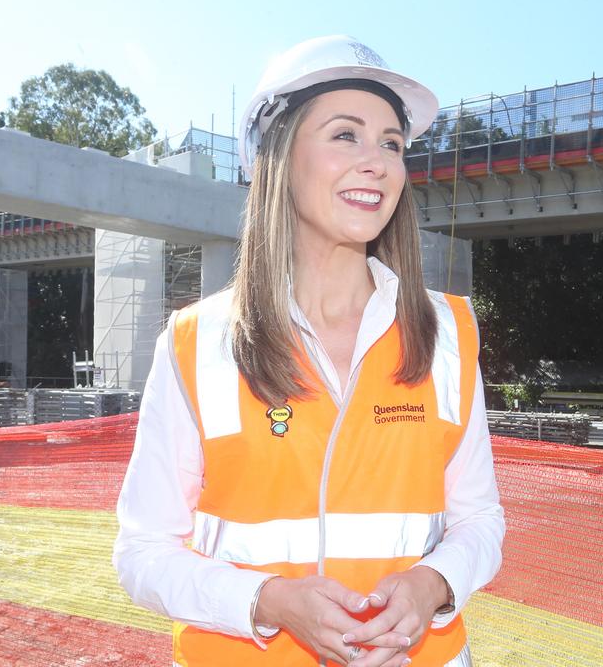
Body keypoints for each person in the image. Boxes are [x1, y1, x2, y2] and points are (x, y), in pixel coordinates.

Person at [113, 35, 504, 667]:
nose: (375, 161)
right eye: (345, 134)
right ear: (277, 157)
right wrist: (268, 600)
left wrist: (431, 585)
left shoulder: (448, 333)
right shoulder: (197, 343)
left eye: (392, 144)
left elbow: (480, 522)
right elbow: (142, 553)